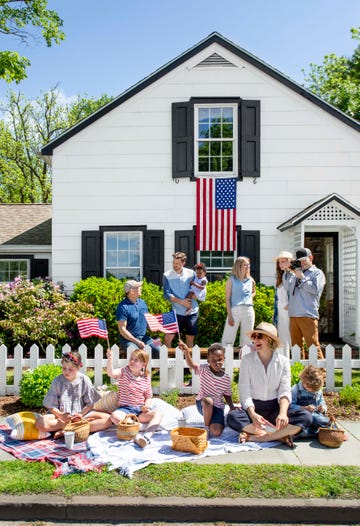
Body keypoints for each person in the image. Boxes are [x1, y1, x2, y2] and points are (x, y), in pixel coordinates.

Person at [226, 322, 312, 447]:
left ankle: (259, 438)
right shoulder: (247, 360)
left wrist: (282, 413)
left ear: (270, 340)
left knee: (306, 417)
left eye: (259, 336)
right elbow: (244, 392)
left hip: (275, 408)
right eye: (253, 336)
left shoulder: (283, 361)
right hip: (254, 408)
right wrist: (253, 415)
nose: (255, 340)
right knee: (232, 417)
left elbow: (284, 390)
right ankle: (279, 436)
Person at [35, 350, 112, 436]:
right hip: (61, 416)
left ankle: (68, 430)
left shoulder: (85, 380)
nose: (66, 372)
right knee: (40, 423)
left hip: (80, 416)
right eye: (64, 368)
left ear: (79, 367)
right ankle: (74, 428)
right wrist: (61, 415)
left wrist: (80, 414)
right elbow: (51, 406)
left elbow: (90, 404)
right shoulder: (57, 381)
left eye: (70, 369)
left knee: (108, 419)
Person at [178, 340, 239, 437]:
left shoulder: (226, 377)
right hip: (203, 404)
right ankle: (206, 428)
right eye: (213, 360)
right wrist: (186, 352)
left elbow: (227, 394)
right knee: (208, 401)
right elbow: (192, 365)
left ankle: (213, 423)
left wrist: (231, 407)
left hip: (217, 407)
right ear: (208, 360)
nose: (217, 363)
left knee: (216, 432)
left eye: (219, 359)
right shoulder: (204, 369)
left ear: (223, 359)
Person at [106, 347, 162, 448]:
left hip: (140, 410)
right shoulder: (124, 371)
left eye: (136, 360)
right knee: (114, 416)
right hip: (126, 409)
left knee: (158, 413)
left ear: (143, 364)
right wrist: (110, 359)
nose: (132, 361)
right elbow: (111, 373)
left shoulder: (146, 377)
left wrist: (147, 406)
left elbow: (148, 396)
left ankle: (147, 436)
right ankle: (137, 434)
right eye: (131, 358)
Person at [282, 247, 326, 359]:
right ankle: (299, 374)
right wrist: (288, 271)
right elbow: (287, 287)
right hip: (293, 315)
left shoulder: (317, 273)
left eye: (304, 260)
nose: (302, 263)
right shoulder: (295, 272)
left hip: (308, 315)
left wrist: (301, 276)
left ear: (311, 257)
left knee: (313, 346)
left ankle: (321, 374)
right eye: (299, 261)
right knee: (296, 347)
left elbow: (314, 289)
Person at [116, 279, 160, 358]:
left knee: (159, 348)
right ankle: (138, 370)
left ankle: (158, 371)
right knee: (137, 355)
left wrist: (153, 326)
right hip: (128, 340)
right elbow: (122, 329)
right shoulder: (122, 307)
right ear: (132, 291)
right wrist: (137, 341)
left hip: (144, 337)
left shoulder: (142, 302)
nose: (141, 288)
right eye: (138, 287)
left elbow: (147, 318)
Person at [163, 252, 198, 348]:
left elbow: (197, 289)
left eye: (177, 263)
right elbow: (166, 294)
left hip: (192, 311)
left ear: (183, 263)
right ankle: (167, 361)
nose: (175, 265)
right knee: (167, 338)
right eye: (174, 263)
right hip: (175, 312)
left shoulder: (192, 274)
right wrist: (182, 302)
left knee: (190, 338)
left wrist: (195, 295)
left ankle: (189, 361)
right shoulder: (166, 275)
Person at [221, 257, 256, 351]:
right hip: (235, 310)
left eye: (248, 264)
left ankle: (244, 360)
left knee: (247, 339)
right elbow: (227, 299)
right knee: (228, 336)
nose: (248, 266)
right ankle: (225, 359)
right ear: (239, 266)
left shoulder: (251, 280)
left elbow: (254, 292)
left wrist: (249, 298)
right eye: (245, 265)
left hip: (249, 310)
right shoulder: (231, 280)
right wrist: (230, 315)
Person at [291, 365, 330, 437]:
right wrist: (303, 408)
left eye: (315, 390)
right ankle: (323, 429)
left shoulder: (317, 391)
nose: (313, 391)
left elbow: (322, 402)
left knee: (318, 419)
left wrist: (322, 408)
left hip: (315, 415)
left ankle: (318, 430)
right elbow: (290, 406)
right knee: (315, 419)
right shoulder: (296, 389)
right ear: (304, 382)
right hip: (301, 416)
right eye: (311, 389)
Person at [273, 251, 293, 358]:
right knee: (281, 336)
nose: (281, 264)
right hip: (279, 310)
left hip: (288, 310)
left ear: (290, 262)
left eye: (283, 262)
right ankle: (284, 359)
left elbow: (295, 292)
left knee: (288, 336)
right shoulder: (282, 275)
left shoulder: (292, 275)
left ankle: (290, 359)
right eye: (279, 262)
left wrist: (290, 304)